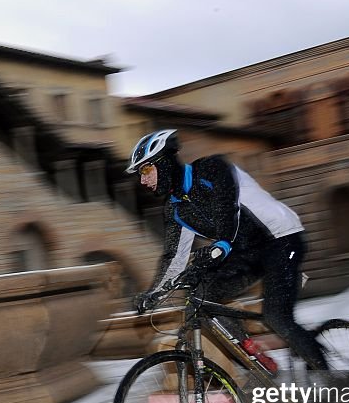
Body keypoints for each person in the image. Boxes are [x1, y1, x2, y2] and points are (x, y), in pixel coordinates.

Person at [128, 129, 328, 370]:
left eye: (146, 169)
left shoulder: (212, 168)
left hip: (280, 238)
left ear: (166, 162)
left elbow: (227, 207)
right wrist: (155, 294)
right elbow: (174, 256)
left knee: (276, 317)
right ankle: (254, 355)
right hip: (244, 251)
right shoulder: (176, 210)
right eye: (140, 173)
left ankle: (334, 380)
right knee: (202, 298)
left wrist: (220, 246)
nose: (143, 180)